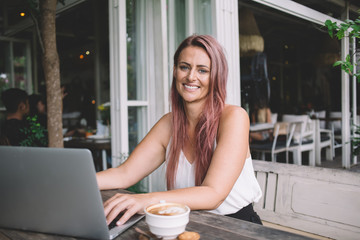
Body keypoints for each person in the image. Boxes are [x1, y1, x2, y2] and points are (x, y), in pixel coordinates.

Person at [96, 35, 262, 227]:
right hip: (186, 225)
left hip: (236, 228)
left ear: (216, 76)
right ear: (175, 71)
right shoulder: (169, 124)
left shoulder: (234, 117)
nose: (191, 76)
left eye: (202, 70)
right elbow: (124, 174)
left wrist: (145, 200)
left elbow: (213, 194)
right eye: (184, 67)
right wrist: (77, 181)